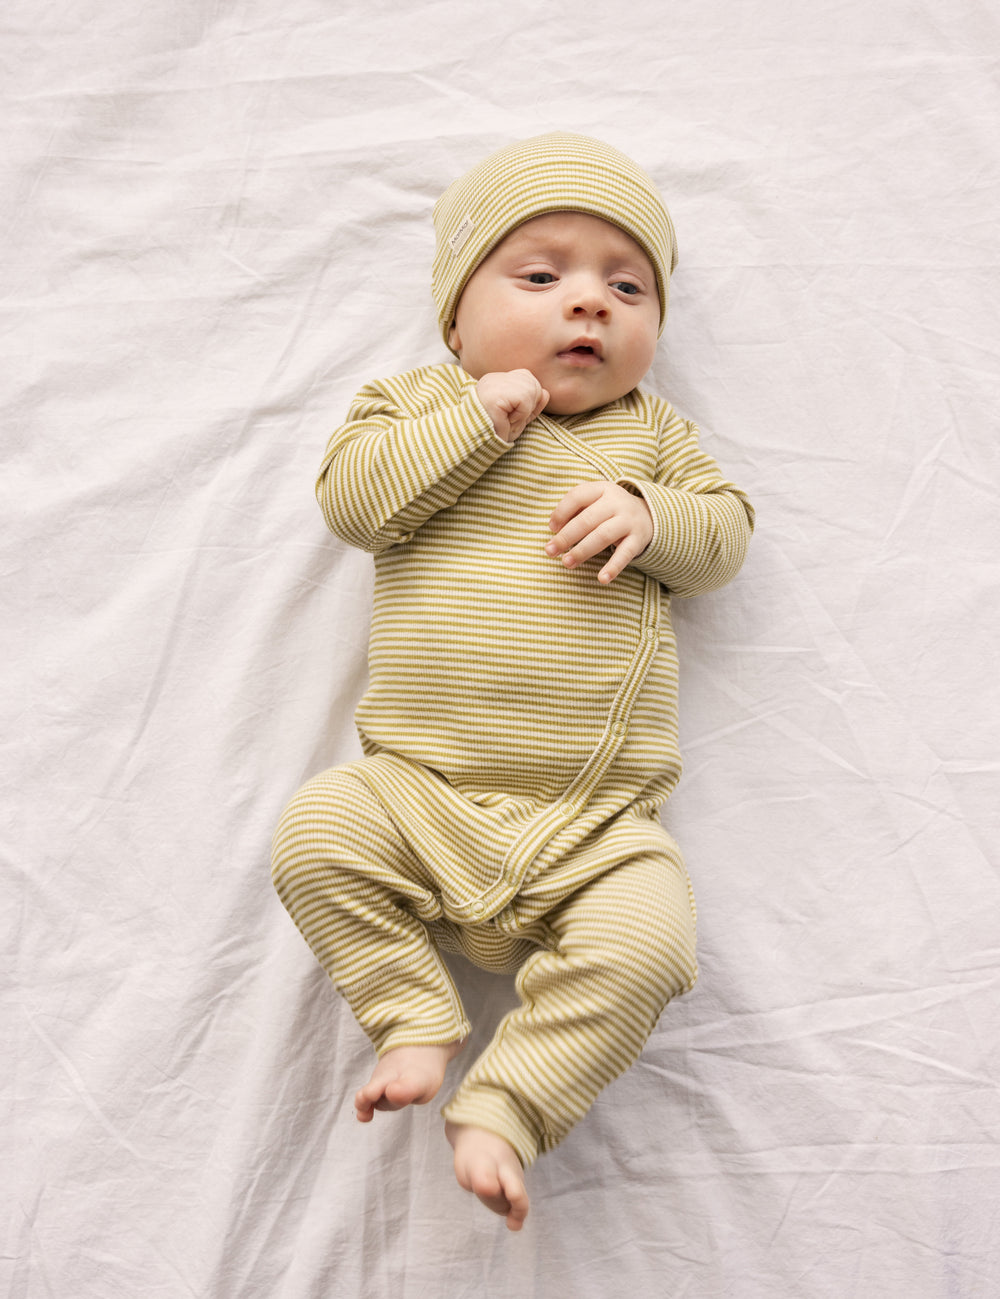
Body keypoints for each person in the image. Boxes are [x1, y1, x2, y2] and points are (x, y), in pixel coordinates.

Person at [271, 132, 755, 1232]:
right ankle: (412, 1015)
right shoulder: (412, 403)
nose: (588, 304)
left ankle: (509, 1103)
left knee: (652, 938)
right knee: (315, 833)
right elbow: (353, 504)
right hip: (418, 794)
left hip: (594, 825)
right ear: (455, 318)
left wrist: (650, 513)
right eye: (540, 275)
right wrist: (471, 422)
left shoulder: (654, 438)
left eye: (627, 287)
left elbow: (726, 538)